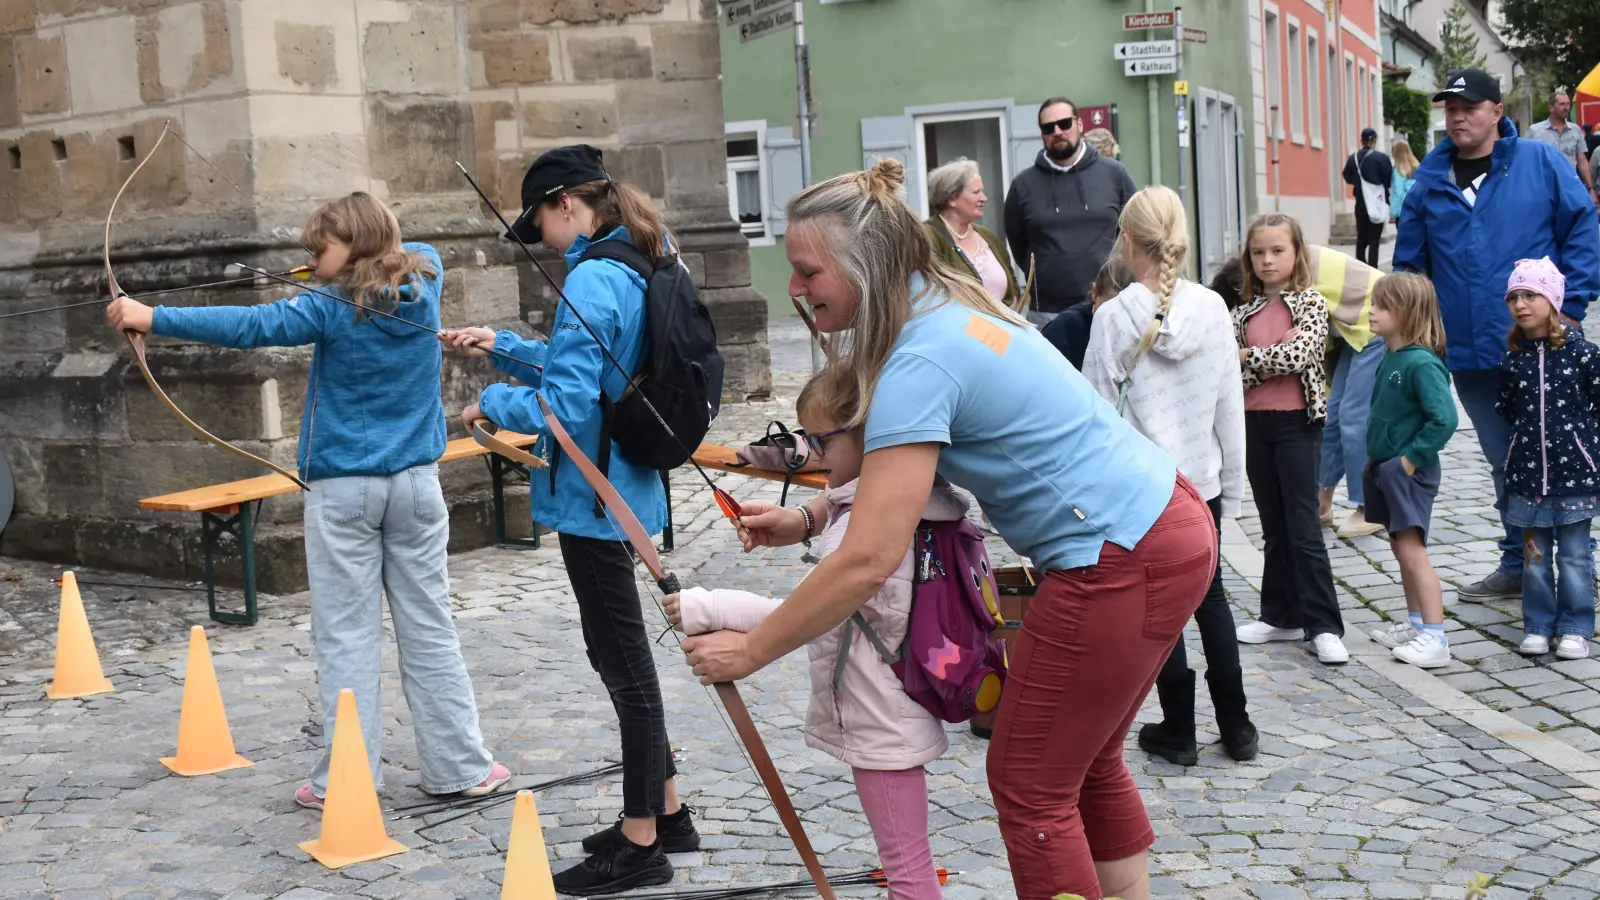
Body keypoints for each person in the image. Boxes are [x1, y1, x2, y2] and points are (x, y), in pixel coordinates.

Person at [681, 159, 1216, 900]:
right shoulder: (939, 305)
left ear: (864, 267)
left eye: (807, 271)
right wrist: (808, 515)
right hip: (1164, 522)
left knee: (1028, 782)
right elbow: (907, 484)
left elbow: (868, 558)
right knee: (1083, 763)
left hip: (1116, 554)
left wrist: (753, 650)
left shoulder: (919, 357)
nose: (795, 290)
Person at [104, 192, 510, 809]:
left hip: (346, 491)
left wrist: (151, 316)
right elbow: (406, 256)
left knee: (346, 637)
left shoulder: (325, 305)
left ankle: (344, 782)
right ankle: (462, 767)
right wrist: (341, 267)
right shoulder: (427, 273)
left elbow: (250, 326)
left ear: (356, 245)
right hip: (418, 489)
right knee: (431, 628)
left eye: (321, 248)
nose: (312, 258)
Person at [446, 145, 695, 895]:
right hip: (627, 488)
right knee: (619, 661)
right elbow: (586, 365)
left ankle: (641, 841)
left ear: (565, 204)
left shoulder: (592, 273)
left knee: (626, 670)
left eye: (541, 224)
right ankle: (671, 811)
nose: (543, 242)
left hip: (597, 499)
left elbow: (567, 403)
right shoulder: (639, 255)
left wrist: (489, 401)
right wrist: (505, 348)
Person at [667, 365, 954, 900]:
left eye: (823, 440)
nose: (815, 454)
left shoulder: (866, 529)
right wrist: (805, 519)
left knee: (908, 869)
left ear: (873, 435)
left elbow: (811, 610)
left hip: (881, 714)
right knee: (906, 861)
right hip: (892, 702)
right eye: (807, 440)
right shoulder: (905, 498)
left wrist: (707, 606)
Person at [1393, 68, 1600, 603]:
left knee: (1561, 448)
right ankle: (1519, 563)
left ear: (1496, 112)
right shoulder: (1428, 182)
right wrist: (1416, 340)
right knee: (1504, 456)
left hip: (1544, 347)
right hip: (1468, 351)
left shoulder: (1538, 162)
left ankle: (1575, 561)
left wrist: (1571, 308)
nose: (1458, 116)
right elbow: (1410, 269)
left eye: (1470, 106)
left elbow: (1581, 225)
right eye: (1450, 108)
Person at [1080, 186, 1256, 767]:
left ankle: (1178, 727)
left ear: (1126, 241)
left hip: (1142, 492)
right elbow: (1231, 405)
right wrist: (1231, 485)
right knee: (1212, 600)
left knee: (1158, 612)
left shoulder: (1110, 319)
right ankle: (1238, 726)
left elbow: (1096, 420)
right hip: (1200, 486)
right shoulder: (1212, 309)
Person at [1230, 213, 1348, 666]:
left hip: (1298, 423)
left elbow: (1300, 355)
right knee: (1274, 527)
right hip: (1255, 425)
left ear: (1297, 253)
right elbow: (1232, 368)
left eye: (1277, 250)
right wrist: (1261, 357)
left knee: (1303, 528)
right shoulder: (1243, 312)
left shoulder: (1312, 303)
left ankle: (1324, 625)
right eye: (1258, 252)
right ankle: (1280, 616)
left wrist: (1249, 357)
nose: (1267, 260)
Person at [1496, 257, 1598, 660]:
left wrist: (1582, 446)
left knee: (1574, 556)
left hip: (1575, 477)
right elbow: (1505, 408)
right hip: (1527, 478)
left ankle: (1575, 626)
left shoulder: (1584, 356)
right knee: (1535, 557)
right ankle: (1538, 625)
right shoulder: (1512, 362)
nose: (1521, 304)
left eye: (1531, 295)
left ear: (1553, 301)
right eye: (1514, 297)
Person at [1361, 273, 1459, 668]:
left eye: (1382, 306)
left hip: (1406, 472)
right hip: (1386, 468)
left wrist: (1409, 460)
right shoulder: (1391, 355)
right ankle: (1418, 623)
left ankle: (1436, 637)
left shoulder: (1420, 363)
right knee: (1400, 547)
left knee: (1413, 550)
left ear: (1407, 312)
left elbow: (1445, 419)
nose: (1372, 311)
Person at [1004, 96, 1138, 325]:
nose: (1057, 131)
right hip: (1047, 312)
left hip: (1111, 304)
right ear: (1042, 134)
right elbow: (1018, 243)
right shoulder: (1022, 186)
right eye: (1048, 127)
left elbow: (1134, 232)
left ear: (1079, 125)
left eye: (1064, 123)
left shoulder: (1115, 175)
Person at [1310, 244, 1388, 538]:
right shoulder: (1285, 260)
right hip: (1353, 331)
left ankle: (1370, 507)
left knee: (1354, 416)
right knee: (1333, 415)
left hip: (1373, 326)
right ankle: (1321, 502)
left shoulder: (1287, 271)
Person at [923, 157, 1019, 307]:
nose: (984, 198)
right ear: (952, 198)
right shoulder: (927, 237)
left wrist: (1010, 310)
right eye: (976, 192)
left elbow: (1012, 283)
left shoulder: (986, 235)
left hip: (1000, 329)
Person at [1040, 256, 1136, 370]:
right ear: (1094, 292)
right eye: (1106, 310)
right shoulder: (1064, 328)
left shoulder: (1140, 331)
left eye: (1125, 314)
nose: (1114, 322)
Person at [1528, 90, 1598, 204]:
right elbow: (1527, 160)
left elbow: (1582, 161)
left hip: (1570, 188)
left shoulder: (1576, 130)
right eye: (1562, 104)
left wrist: (1591, 189)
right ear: (1551, 108)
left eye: (1568, 104)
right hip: (1544, 189)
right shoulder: (1535, 131)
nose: (1566, 107)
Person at [1343, 127, 1394, 268]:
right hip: (1377, 203)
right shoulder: (1382, 159)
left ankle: (1361, 266)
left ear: (1362, 140)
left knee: (1361, 238)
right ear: (1374, 141)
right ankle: (1373, 267)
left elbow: (1347, 177)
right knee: (1374, 240)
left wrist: (1360, 184)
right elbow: (1388, 180)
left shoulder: (1353, 158)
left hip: (1360, 203)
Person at [1390, 139, 1420, 220]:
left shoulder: (1399, 170)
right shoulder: (1417, 167)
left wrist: (1393, 213)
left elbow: (1398, 193)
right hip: (1417, 209)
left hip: (1403, 211)